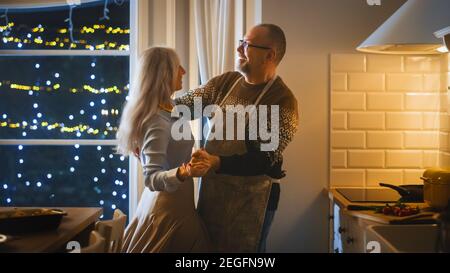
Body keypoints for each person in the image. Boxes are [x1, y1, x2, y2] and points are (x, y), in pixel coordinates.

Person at [175, 24, 299, 252]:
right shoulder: (225, 83)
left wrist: (216, 162)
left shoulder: (280, 100)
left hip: (252, 201)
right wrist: (141, 124)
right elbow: (181, 107)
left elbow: (263, 159)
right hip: (214, 194)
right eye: (241, 42)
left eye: (246, 45)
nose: (238, 48)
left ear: (269, 55)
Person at [116, 47, 212, 253]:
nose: (184, 71)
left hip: (176, 205)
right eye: (178, 67)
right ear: (164, 74)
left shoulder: (168, 110)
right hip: (168, 210)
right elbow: (151, 178)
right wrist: (184, 171)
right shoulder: (157, 121)